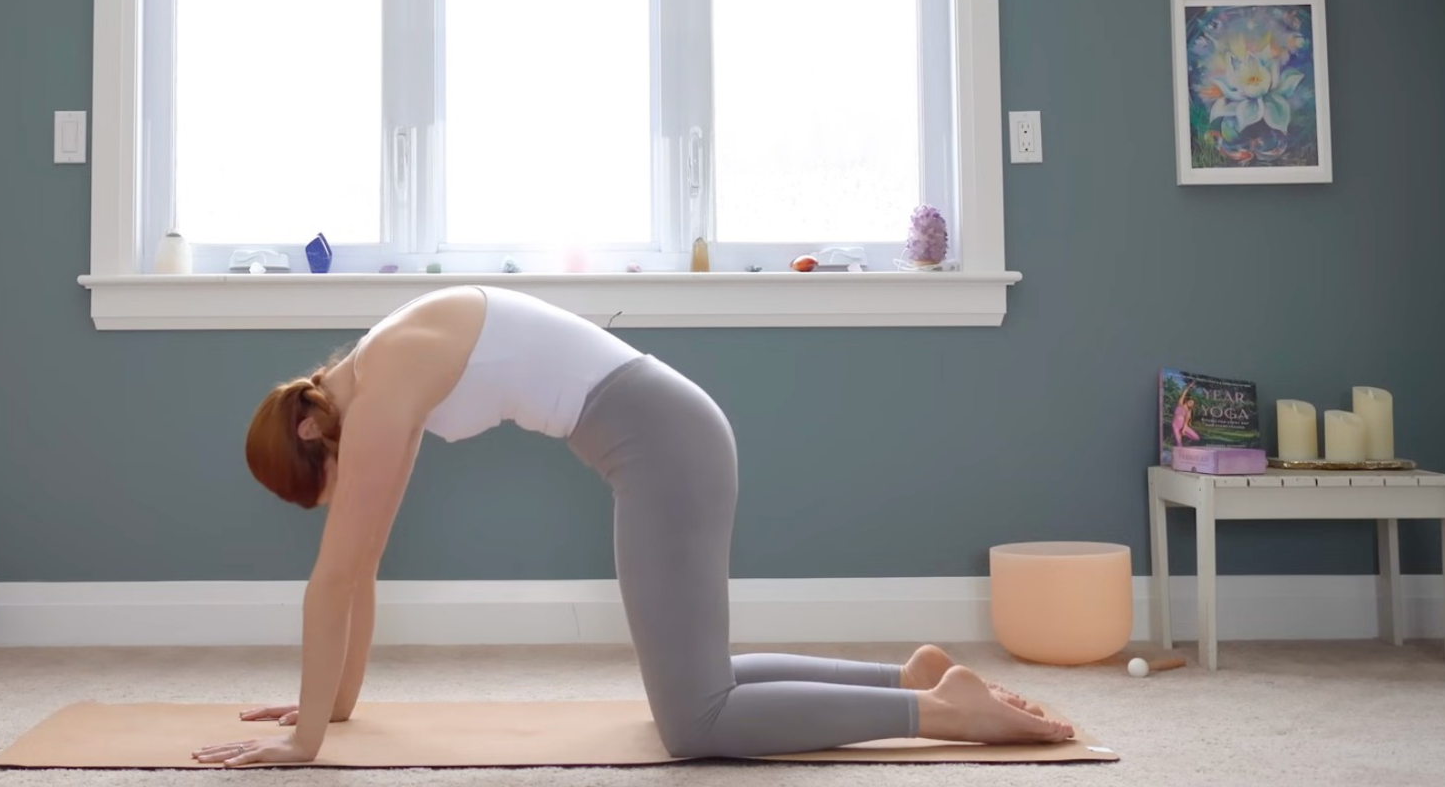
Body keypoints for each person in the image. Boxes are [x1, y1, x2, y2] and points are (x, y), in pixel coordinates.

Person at [195, 286, 1072, 766]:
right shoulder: (382, 362)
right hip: (663, 436)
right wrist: (333, 709)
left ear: (312, 433)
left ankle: (936, 711)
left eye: (326, 485)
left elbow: (336, 578)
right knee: (697, 682)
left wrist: (303, 745)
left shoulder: (383, 388)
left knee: (698, 724)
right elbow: (364, 562)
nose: (339, 497)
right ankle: (902, 677)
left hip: (665, 446)